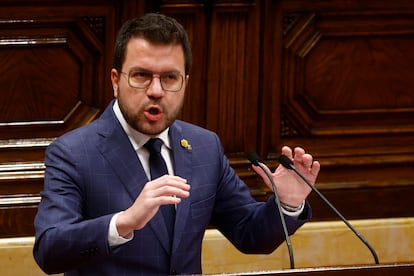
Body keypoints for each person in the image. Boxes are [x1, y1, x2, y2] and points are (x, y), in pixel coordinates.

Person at [33, 13, 320, 275]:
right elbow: (49, 250)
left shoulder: (204, 146)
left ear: (184, 83)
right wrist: (124, 222)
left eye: (169, 78)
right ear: (115, 80)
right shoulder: (74, 152)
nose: (156, 91)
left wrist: (288, 204)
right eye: (141, 76)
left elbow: (250, 234)